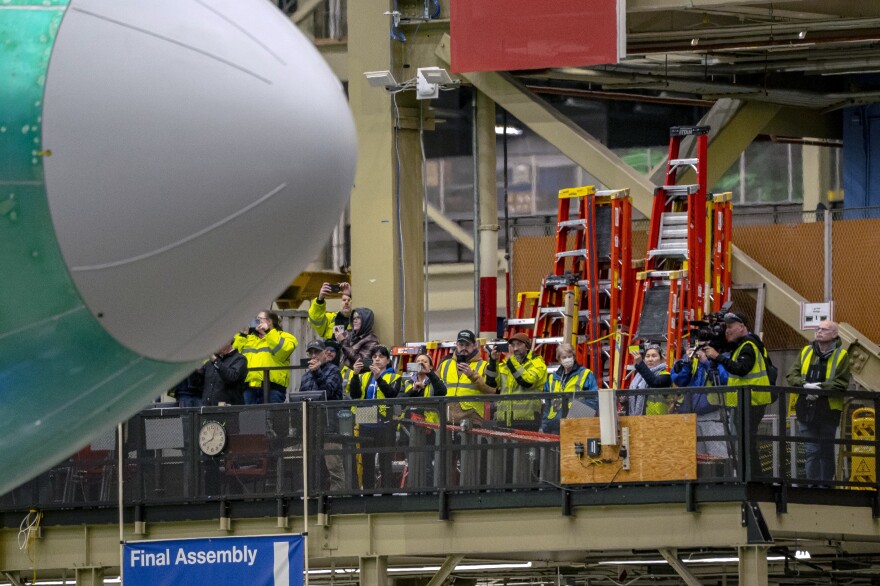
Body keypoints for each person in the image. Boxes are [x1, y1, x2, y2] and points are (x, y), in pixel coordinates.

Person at [704, 311, 774, 475]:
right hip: (746, 401)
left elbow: (741, 369)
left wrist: (717, 357)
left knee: (746, 442)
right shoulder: (743, 344)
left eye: (730, 326)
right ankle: (750, 476)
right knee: (745, 442)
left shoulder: (748, 345)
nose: (727, 330)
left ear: (742, 327)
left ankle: (752, 478)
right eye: (725, 327)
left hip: (751, 401)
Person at [785, 320, 851, 482]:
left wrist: (819, 388)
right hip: (806, 407)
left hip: (828, 408)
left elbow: (841, 383)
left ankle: (826, 486)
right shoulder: (806, 351)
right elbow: (791, 375)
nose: (819, 331)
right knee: (812, 449)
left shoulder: (841, 355)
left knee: (826, 450)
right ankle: (812, 485)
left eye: (824, 329)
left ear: (834, 334)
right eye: (818, 329)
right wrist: (805, 385)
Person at [349, 345, 401, 489]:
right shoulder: (365, 376)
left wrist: (379, 378)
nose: (377, 359)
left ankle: (386, 494)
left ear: (388, 360)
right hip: (366, 418)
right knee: (367, 461)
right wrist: (354, 375)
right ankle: (368, 493)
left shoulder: (395, 376)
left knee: (385, 461)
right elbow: (355, 395)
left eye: (381, 356)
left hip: (385, 421)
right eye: (374, 357)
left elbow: (392, 394)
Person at [298, 339, 346, 491]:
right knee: (312, 467)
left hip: (330, 428)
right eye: (311, 353)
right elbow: (300, 399)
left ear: (325, 353)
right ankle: (313, 498)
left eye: (316, 352)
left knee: (334, 468)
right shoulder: (305, 376)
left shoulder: (334, 371)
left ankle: (338, 501)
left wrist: (318, 372)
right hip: (310, 428)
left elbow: (329, 392)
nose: (313, 356)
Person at [671, 343, 730, 458]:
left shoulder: (721, 357)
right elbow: (678, 380)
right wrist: (687, 363)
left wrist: (706, 362)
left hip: (713, 415)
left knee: (719, 456)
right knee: (696, 459)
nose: (700, 344)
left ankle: (724, 475)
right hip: (691, 416)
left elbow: (724, 378)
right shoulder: (691, 357)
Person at [234, 310, 298, 404]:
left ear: (269, 321)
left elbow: (283, 351)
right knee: (247, 418)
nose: (255, 321)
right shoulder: (248, 338)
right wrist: (243, 335)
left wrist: (268, 332)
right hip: (248, 389)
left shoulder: (285, 337)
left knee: (271, 418)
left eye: (259, 319)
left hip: (273, 389)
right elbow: (233, 355)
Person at [489, 332, 548, 431]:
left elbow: (527, 382)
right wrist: (493, 361)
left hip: (527, 420)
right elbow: (491, 383)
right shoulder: (506, 365)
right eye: (512, 345)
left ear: (527, 347)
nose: (515, 348)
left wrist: (511, 360)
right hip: (503, 420)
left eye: (519, 344)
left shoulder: (537, 363)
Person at [438, 330, 495, 426]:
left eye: (467, 345)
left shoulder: (484, 366)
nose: (464, 348)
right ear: (456, 345)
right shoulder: (445, 365)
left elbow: (492, 390)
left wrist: (472, 375)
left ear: (475, 345)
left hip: (472, 421)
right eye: (461, 344)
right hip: (447, 420)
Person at [541, 343, 598, 435]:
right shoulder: (552, 378)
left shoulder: (586, 374)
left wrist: (574, 417)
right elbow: (547, 405)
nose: (567, 359)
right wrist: (545, 426)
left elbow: (593, 401)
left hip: (576, 426)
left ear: (574, 356)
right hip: (555, 426)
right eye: (564, 357)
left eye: (569, 356)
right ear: (559, 359)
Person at [198, 341, 248, 407]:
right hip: (208, 408)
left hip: (228, 409)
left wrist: (215, 360)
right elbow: (197, 382)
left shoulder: (240, 359)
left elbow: (231, 377)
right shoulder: (210, 362)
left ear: (228, 342)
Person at [627, 343, 672, 416]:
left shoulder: (666, 374)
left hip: (659, 418)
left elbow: (654, 382)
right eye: (647, 356)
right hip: (639, 417)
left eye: (654, 356)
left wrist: (640, 363)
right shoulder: (639, 375)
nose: (650, 359)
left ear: (662, 359)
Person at [403, 353, 447, 424]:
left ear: (431, 367)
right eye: (418, 362)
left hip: (430, 426)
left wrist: (429, 373)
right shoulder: (407, 383)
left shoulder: (435, 381)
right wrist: (413, 390)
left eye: (425, 362)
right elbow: (399, 400)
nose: (421, 364)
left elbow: (442, 392)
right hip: (409, 424)